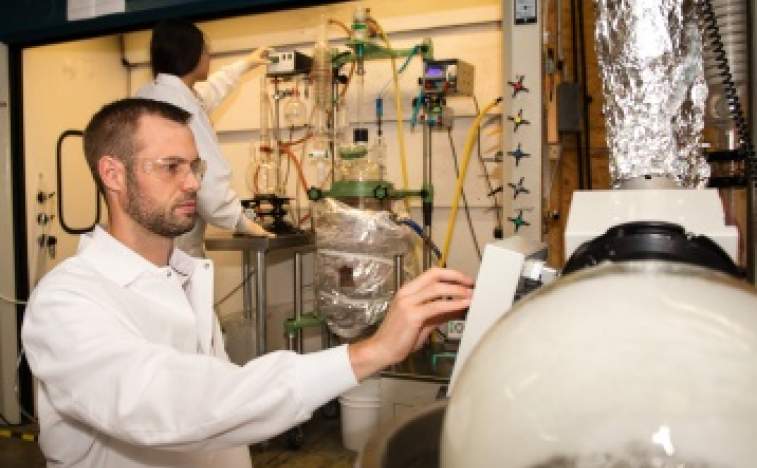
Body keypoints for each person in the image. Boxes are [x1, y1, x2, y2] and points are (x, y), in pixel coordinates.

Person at [21, 98, 473, 468]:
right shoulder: (67, 301)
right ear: (113, 174)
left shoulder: (183, 276)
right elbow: (174, 403)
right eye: (171, 167)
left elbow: (223, 422)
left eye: (195, 167)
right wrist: (369, 352)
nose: (192, 184)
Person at [136, 19, 271, 257]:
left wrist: (245, 64)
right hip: (174, 244)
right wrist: (241, 222)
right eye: (206, 50)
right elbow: (207, 181)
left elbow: (209, 92)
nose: (210, 56)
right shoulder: (184, 109)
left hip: (145, 236)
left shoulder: (151, 94)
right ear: (191, 55)